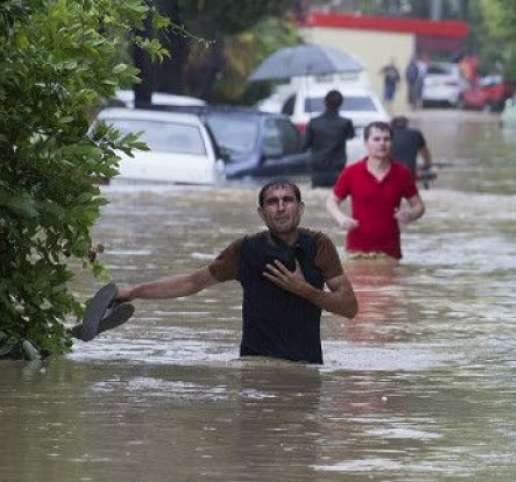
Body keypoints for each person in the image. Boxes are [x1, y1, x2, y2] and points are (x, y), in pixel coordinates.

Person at [114, 179, 358, 364]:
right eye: (272, 202)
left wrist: (304, 290)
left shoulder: (319, 245)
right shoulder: (246, 249)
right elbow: (192, 282)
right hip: (255, 366)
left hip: (306, 367)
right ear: (262, 213)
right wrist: (132, 291)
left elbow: (349, 307)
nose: (281, 207)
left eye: (288, 200)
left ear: (300, 208)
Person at [326, 122, 425, 260]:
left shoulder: (402, 173)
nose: (382, 143)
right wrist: (341, 218)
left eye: (386, 139)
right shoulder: (351, 172)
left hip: (390, 252)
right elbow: (331, 201)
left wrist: (411, 214)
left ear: (391, 143)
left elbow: (419, 206)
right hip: (357, 251)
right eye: (376, 139)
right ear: (366, 143)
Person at [303, 89, 355, 188]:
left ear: (324, 101)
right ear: (341, 103)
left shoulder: (313, 122)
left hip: (318, 169)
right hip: (338, 169)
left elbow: (305, 145)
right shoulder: (346, 123)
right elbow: (351, 137)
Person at [389, 116, 433, 180]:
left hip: (391, 173)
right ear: (407, 124)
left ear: (391, 124)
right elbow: (425, 154)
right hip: (410, 172)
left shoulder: (386, 134)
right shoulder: (416, 133)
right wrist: (426, 166)